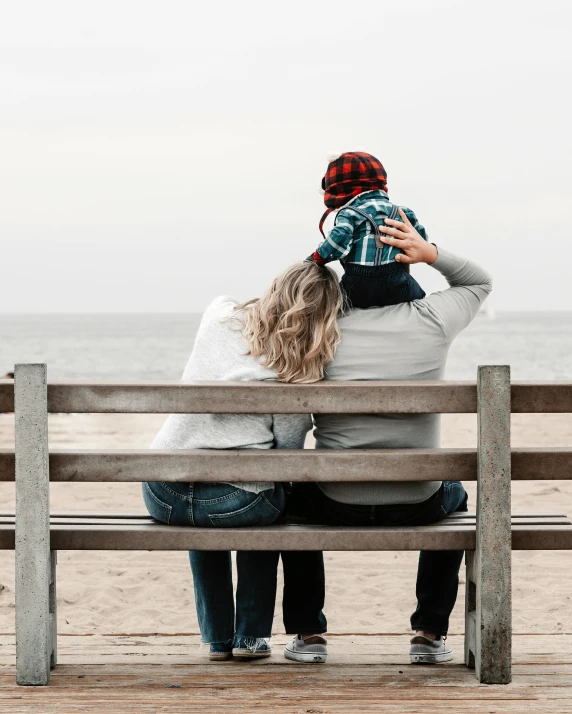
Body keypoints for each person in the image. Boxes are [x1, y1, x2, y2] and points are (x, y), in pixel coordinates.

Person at [285, 209, 492, 665]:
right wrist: (429, 253)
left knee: (292, 494)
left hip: (334, 499)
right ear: (405, 267)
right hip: (418, 498)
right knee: (455, 497)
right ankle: (429, 634)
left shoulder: (322, 329)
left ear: (348, 276)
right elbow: (478, 283)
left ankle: (308, 635)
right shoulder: (432, 319)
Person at [142, 262, 340, 661]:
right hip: (235, 505)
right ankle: (250, 636)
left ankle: (217, 639)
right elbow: (287, 451)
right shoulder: (296, 368)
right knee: (267, 497)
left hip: (162, 490)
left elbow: (226, 302)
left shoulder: (218, 318)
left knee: (207, 506)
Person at [309, 151, 427, 309]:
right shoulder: (403, 212)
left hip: (358, 282)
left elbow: (340, 238)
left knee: (337, 308)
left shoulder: (349, 213)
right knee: (419, 301)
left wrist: (318, 257)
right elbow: (420, 241)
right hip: (397, 280)